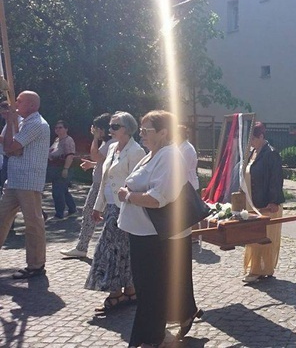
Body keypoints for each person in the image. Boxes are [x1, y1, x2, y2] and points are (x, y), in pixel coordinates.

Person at [118, 110, 202, 345]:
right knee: (148, 289)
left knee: (151, 289)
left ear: (164, 132)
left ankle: (154, 337)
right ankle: (155, 334)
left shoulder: (170, 156)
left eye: (147, 130)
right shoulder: (152, 154)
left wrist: (128, 196)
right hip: (143, 232)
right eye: (142, 130)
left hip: (155, 234)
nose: (142, 134)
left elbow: (158, 198)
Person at [85, 111, 145, 313]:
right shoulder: (111, 147)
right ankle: (129, 290)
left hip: (126, 208)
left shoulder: (136, 151)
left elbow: (138, 183)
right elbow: (104, 179)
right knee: (119, 250)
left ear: (127, 129)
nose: (110, 130)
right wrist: (98, 206)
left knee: (110, 249)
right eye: (110, 126)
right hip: (111, 206)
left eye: (115, 126)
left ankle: (117, 293)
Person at [0, 91, 50, 279]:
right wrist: (9, 121)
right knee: (1, 217)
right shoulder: (21, 122)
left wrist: (12, 143)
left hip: (28, 181)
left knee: (33, 223)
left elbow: (10, 147)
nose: (14, 104)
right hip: (14, 180)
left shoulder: (36, 124)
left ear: (31, 105)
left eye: (18, 101)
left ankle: (36, 265)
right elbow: (8, 143)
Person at [61, 113, 114, 258]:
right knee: (91, 214)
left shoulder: (109, 143)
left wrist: (95, 138)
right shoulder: (109, 143)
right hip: (100, 183)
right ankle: (82, 247)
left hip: (101, 185)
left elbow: (95, 155)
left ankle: (82, 247)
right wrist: (93, 165)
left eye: (96, 128)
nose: (94, 130)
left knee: (91, 214)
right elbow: (102, 161)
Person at [241, 121, 285, 283]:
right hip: (251, 200)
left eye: (253, 139)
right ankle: (257, 267)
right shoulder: (253, 151)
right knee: (253, 235)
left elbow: (276, 179)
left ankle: (260, 269)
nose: (250, 142)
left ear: (261, 136)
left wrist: (273, 201)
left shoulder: (271, 153)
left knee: (264, 236)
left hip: (266, 203)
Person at [48, 120, 77, 219]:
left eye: (60, 127)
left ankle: (59, 213)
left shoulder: (68, 140)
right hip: (54, 168)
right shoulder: (57, 140)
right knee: (63, 190)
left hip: (63, 167)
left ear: (66, 129)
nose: (58, 130)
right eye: (56, 128)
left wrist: (65, 169)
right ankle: (72, 208)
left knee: (57, 191)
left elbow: (70, 155)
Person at [177, 125, 199, 190]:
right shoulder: (178, 146)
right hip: (181, 184)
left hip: (189, 184)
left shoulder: (188, 149)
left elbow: (183, 168)